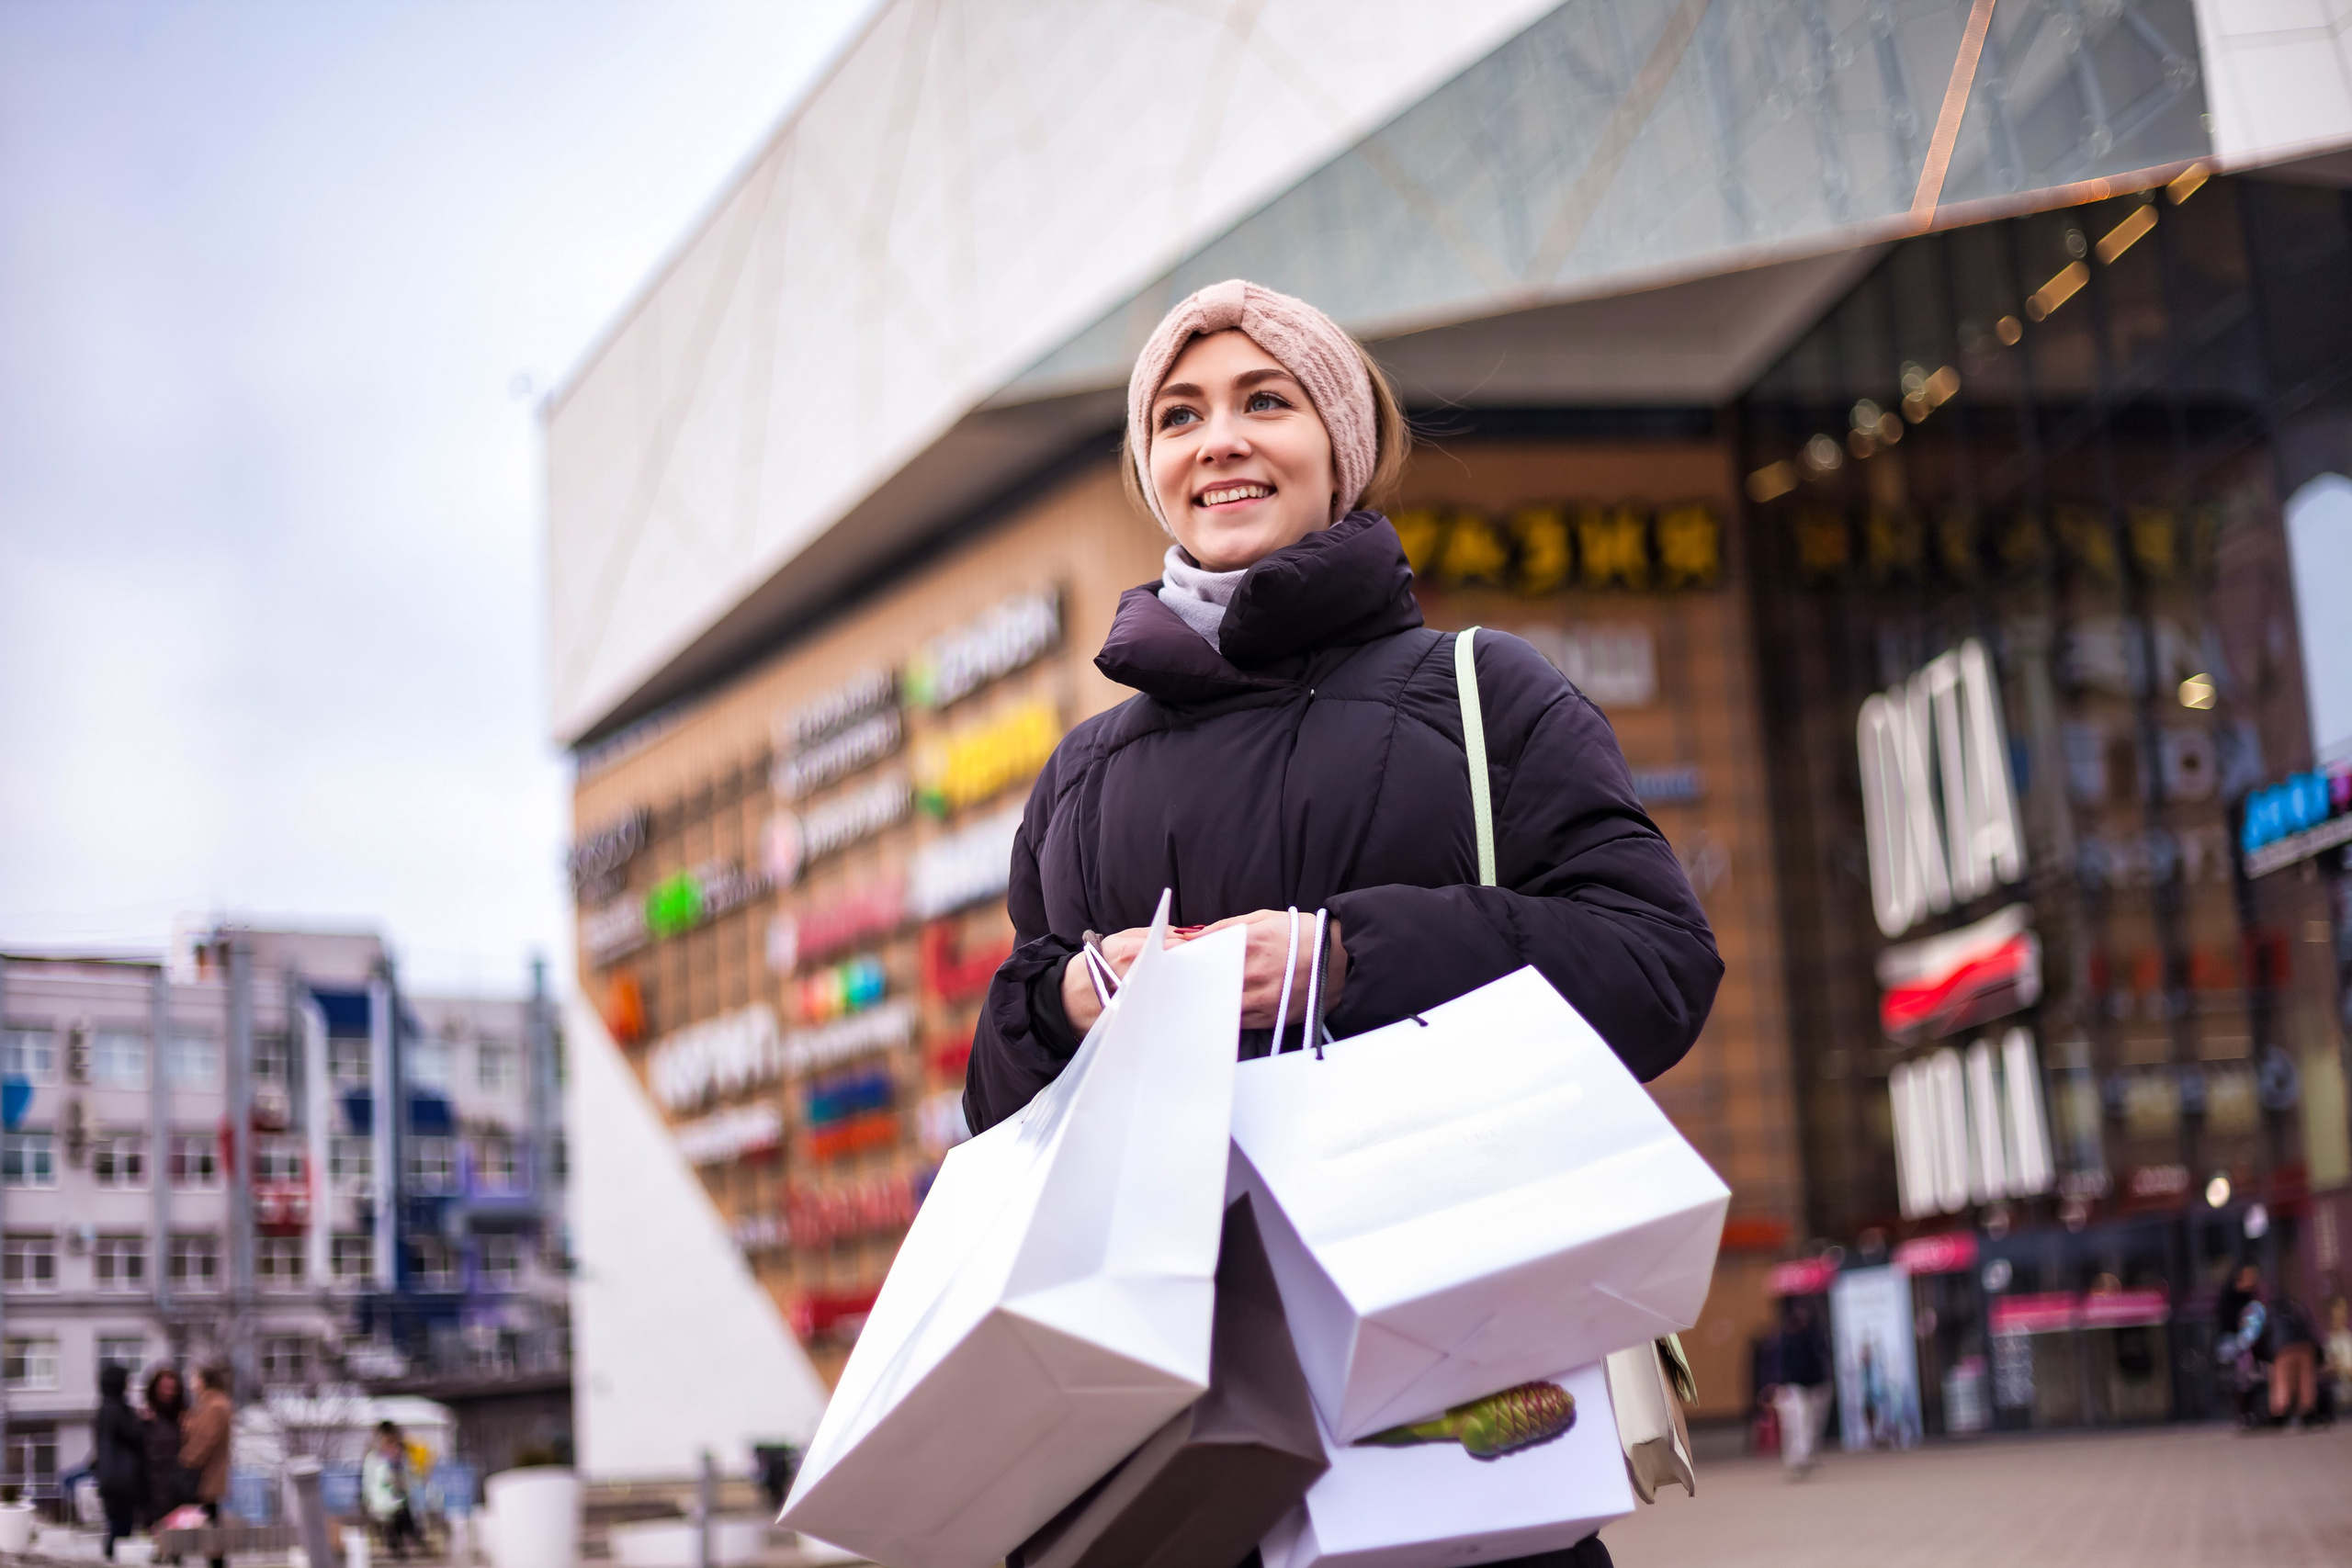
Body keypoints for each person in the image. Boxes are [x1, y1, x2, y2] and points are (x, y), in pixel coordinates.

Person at [964, 280, 1722, 1568]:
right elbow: (1005, 1134)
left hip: (1462, 1420)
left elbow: (1658, 968)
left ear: (1342, 446)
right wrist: (1064, 998)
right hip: (1182, 1454)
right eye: (1181, 414)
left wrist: (1346, 957)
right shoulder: (1080, 778)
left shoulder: (1485, 693)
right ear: (1152, 469)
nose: (1222, 441)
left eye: (1269, 400)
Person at [1769, 1300, 1833, 1478]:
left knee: (1811, 1423)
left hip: (1814, 1384)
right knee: (1797, 1422)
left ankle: (1806, 1454)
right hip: (1793, 1386)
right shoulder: (1785, 1340)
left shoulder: (1815, 1335)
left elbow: (1821, 1359)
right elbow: (1779, 1365)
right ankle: (1797, 1457)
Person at [178, 1365, 234, 1568]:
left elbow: (207, 1440)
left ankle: (216, 1562)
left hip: (208, 1475)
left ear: (205, 1381)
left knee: (210, 1521)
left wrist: (187, 1460)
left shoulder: (215, 1405)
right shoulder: (207, 1404)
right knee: (209, 1521)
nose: (192, 1384)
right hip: (206, 1474)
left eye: (195, 1379)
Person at [93, 1364, 146, 1560]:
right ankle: (112, 1560)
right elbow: (135, 1435)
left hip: (108, 1478)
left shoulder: (102, 1409)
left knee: (115, 1524)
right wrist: (142, 1419)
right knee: (121, 1528)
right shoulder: (119, 1410)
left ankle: (110, 1558)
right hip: (123, 1479)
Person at [361, 1422, 424, 1561]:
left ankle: (404, 1541)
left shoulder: (401, 1461)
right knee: (397, 1513)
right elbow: (374, 1484)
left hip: (399, 1500)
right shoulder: (375, 1460)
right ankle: (398, 1543)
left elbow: (410, 1482)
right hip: (385, 1501)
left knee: (403, 1513)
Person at [141, 1366, 192, 1534]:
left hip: (177, 1481)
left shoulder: (184, 1418)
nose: (169, 1392)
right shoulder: (146, 1417)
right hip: (152, 1481)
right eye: (164, 1387)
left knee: (176, 1530)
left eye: (173, 1388)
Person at [2268, 1291, 2322, 1429]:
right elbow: (2311, 1329)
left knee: (2282, 1380)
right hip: (2306, 1346)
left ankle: (2281, 1410)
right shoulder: (2300, 1309)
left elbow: (2267, 1333)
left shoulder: (2273, 1312)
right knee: (2305, 1380)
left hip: (2283, 1348)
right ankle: (2307, 1409)